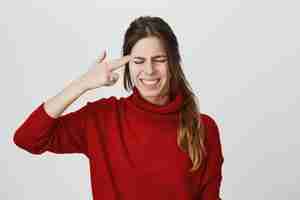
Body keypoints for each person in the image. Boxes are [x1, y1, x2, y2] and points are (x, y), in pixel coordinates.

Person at [13, 15, 224, 200]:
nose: (149, 70)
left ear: (173, 64)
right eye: (139, 61)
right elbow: (28, 138)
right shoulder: (102, 118)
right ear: (127, 65)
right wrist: (82, 84)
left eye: (159, 59)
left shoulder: (203, 127)